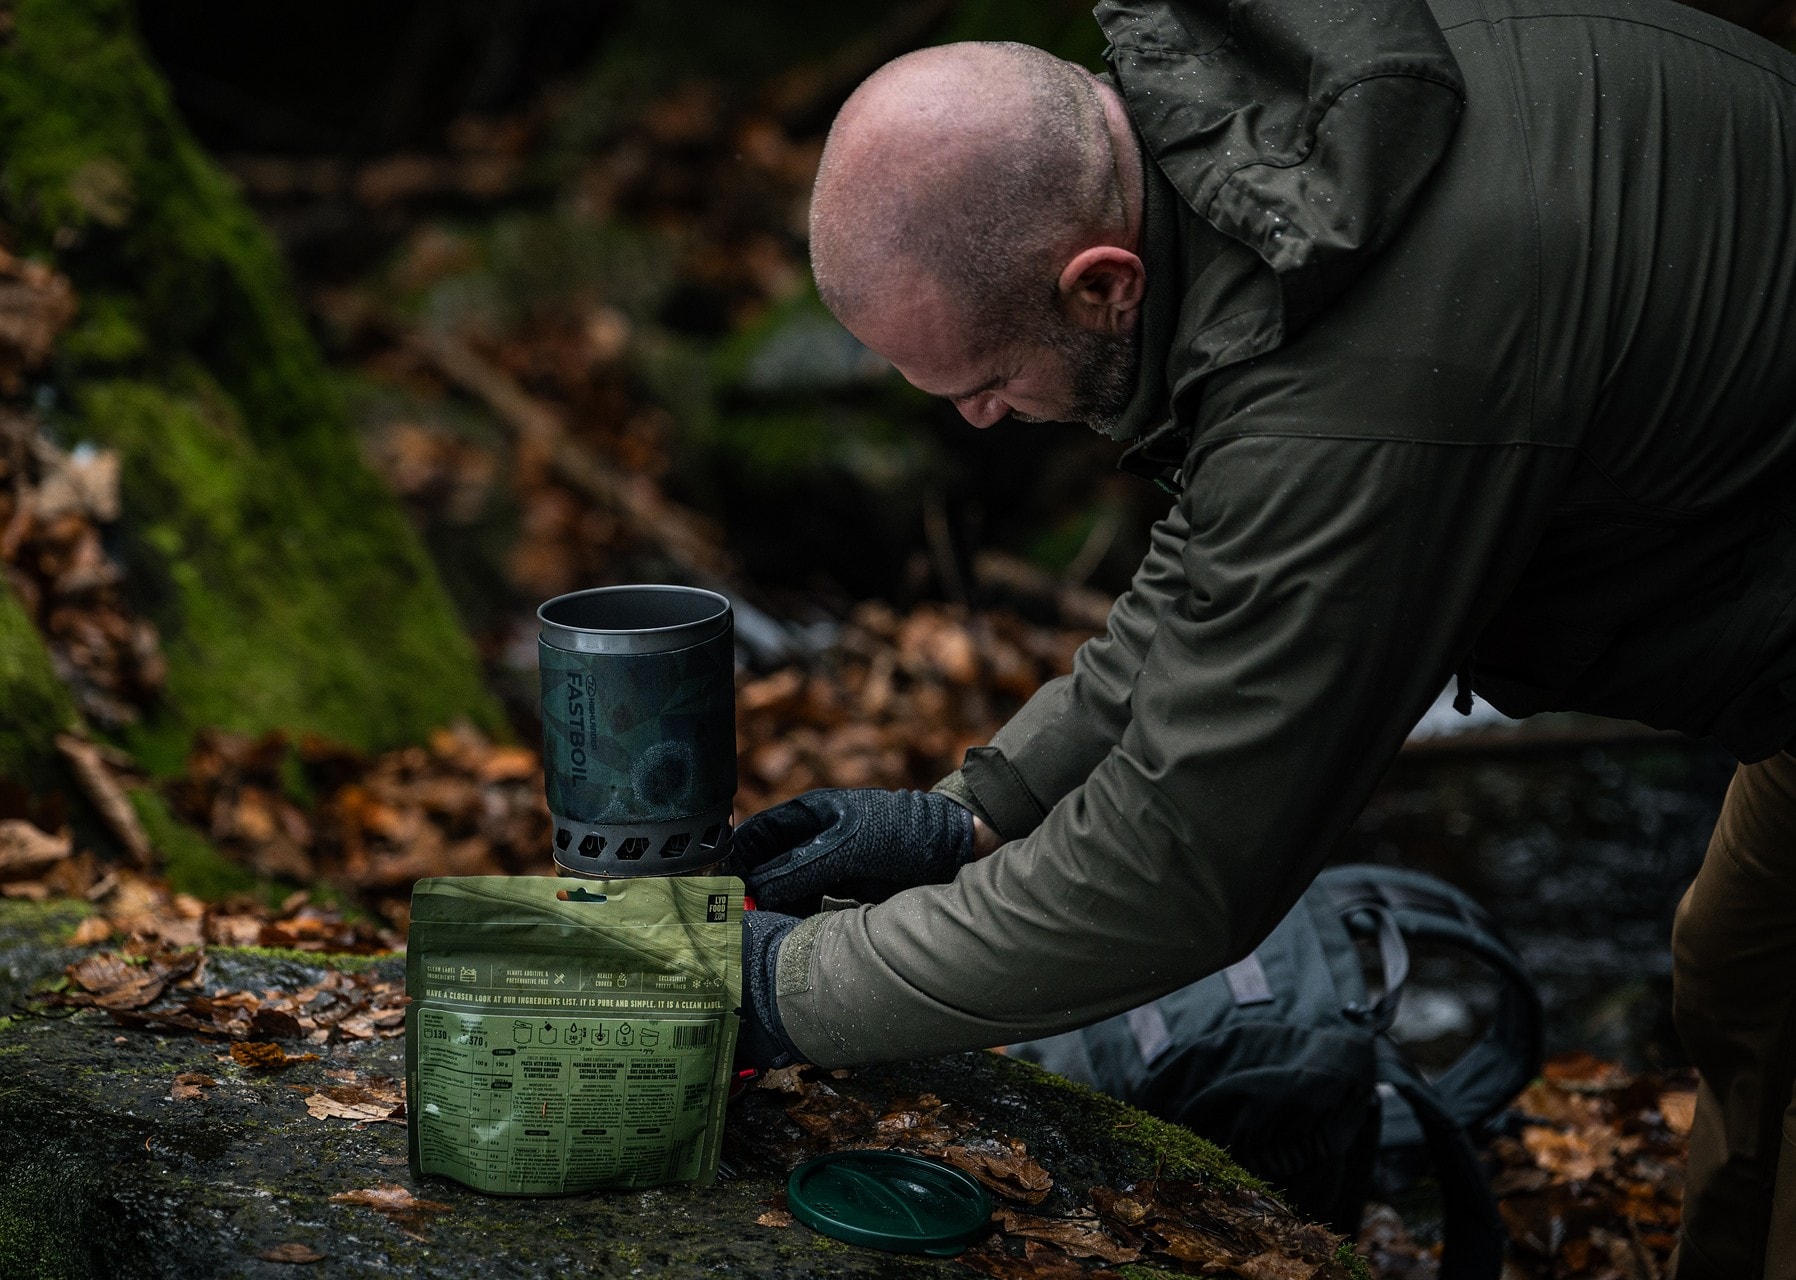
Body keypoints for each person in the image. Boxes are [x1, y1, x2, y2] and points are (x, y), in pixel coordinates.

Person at [729, 0, 1796, 1274]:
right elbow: (1228, 561)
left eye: (983, 383)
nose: (976, 422)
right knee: (1746, 966)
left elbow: (1174, 873)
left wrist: (780, 987)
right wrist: (971, 813)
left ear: (1101, 284)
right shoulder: (1264, 141)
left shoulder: (1374, 373)